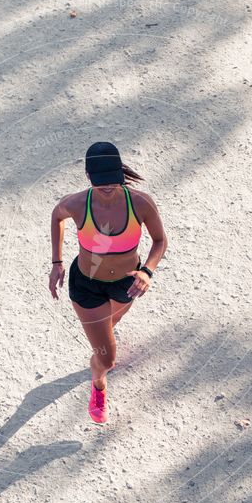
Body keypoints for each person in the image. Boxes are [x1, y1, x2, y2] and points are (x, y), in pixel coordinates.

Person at [49, 142, 168, 423]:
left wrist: (147, 272)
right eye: (100, 182)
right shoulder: (77, 204)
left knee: (107, 331)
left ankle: (101, 346)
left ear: (120, 173)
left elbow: (160, 241)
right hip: (87, 287)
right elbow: (57, 216)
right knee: (107, 359)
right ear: (89, 177)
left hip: (126, 286)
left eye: (112, 181)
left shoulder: (140, 203)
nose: (106, 187)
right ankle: (99, 385)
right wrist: (57, 262)